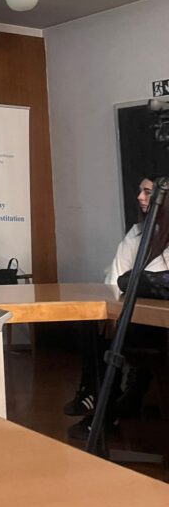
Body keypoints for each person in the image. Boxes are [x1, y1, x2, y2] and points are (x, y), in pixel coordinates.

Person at [66, 177, 169, 439]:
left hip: (161, 328)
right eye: (140, 191)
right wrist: (111, 313)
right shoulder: (138, 233)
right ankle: (101, 401)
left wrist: (134, 282)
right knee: (91, 323)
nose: (140, 197)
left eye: (148, 192)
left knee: (106, 335)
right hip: (136, 319)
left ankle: (102, 405)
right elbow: (115, 279)